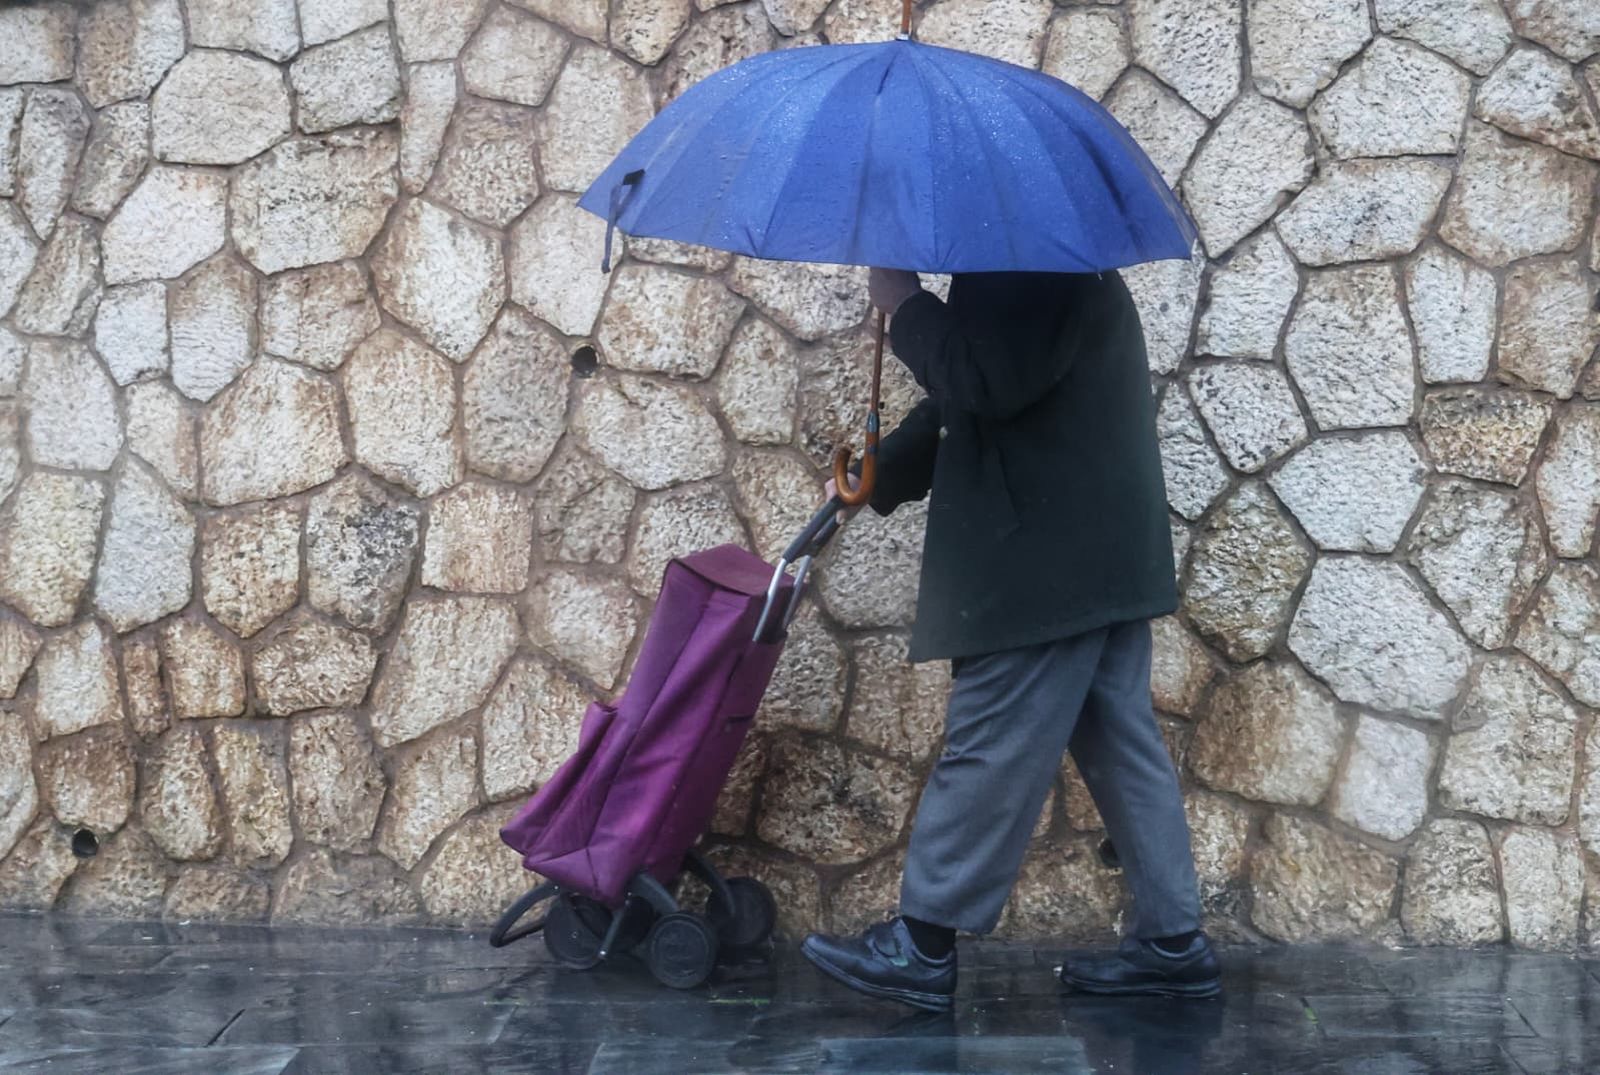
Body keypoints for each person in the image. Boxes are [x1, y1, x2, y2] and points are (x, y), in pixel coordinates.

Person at [801, 267, 1219, 1012]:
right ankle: (1172, 943)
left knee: (989, 737)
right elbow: (979, 394)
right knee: (1120, 740)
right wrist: (882, 470)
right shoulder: (1051, 262)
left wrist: (904, 307)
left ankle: (921, 944)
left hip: (1045, 559)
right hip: (1093, 553)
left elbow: (984, 381)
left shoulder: (1028, 268)